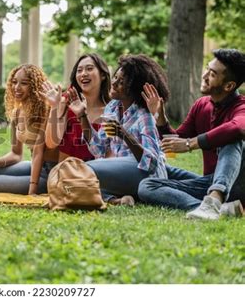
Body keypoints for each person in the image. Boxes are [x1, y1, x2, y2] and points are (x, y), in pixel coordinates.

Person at [138, 48, 245, 220]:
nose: (204, 76)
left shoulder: (241, 107)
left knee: (233, 139)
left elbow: (238, 128)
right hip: (210, 181)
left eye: (212, 74)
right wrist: (160, 119)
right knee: (147, 185)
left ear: (229, 86)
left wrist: (191, 144)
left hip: (239, 183)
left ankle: (214, 200)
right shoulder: (201, 105)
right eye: (207, 69)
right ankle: (216, 208)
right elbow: (176, 140)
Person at [62, 54, 170, 205]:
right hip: (122, 173)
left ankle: (117, 196)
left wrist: (123, 134)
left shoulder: (144, 114)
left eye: (121, 81)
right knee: (73, 180)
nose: (114, 83)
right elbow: (98, 149)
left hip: (146, 177)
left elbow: (151, 163)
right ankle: (118, 200)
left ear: (133, 88)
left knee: (81, 171)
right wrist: (82, 115)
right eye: (115, 77)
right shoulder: (112, 108)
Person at [0, 64, 59, 195]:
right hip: (33, 166)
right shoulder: (17, 113)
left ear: (34, 86)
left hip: (51, 173)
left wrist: (32, 190)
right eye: (14, 82)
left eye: (24, 83)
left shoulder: (45, 110)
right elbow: (16, 154)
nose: (17, 87)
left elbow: (38, 153)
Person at [43, 53, 111, 162]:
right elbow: (51, 143)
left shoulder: (112, 110)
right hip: (67, 173)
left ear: (102, 75)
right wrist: (54, 107)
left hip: (97, 175)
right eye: (79, 71)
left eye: (89, 69)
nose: (83, 74)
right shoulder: (66, 101)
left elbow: (111, 153)